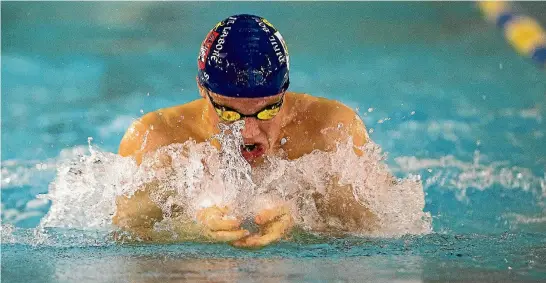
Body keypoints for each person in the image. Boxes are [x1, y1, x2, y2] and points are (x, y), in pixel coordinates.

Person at [113, 14, 373, 248]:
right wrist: (192, 228)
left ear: (284, 91)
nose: (248, 133)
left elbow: (381, 228)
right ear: (202, 90)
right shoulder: (155, 139)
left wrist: (302, 223)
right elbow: (126, 239)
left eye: (268, 110)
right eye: (228, 113)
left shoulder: (334, 132)